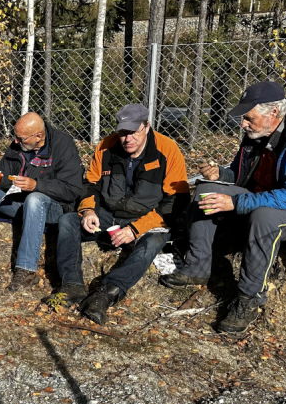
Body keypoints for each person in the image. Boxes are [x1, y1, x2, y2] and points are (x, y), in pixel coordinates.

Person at [160, 81, 286, 333]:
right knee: (206, 190)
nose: (243, 123)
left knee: (265, 216)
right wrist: (220, 173)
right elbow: (241, 174)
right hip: (260, 199)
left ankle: (248, 298)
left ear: (273, 113)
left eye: (248, 118)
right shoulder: (258, 132)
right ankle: (197, 267)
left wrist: (236, 202)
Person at [54, 104, 190, 324]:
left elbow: (176, 201)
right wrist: (88, 210)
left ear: (146, 126)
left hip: (147, 220)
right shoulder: (105, 147)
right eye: (122, 133)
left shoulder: (168, 149)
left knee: (152, 243)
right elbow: (91, 184)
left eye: (133, 132)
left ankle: (106, 293)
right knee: (68, 221)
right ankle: (71, 285)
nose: (127, 139)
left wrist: (135, 229)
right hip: (109, 216)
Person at [0, 112, 84, 291]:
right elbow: (3, 173)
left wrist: (36, 185)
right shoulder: (18, 146)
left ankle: (26, 270)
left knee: (35, 199)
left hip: (53, 207)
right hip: (22, 202)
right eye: (16, 137)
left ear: (38, 136)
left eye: (21, 138)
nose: (16, 142)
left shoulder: (63, 145)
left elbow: (71, 190)